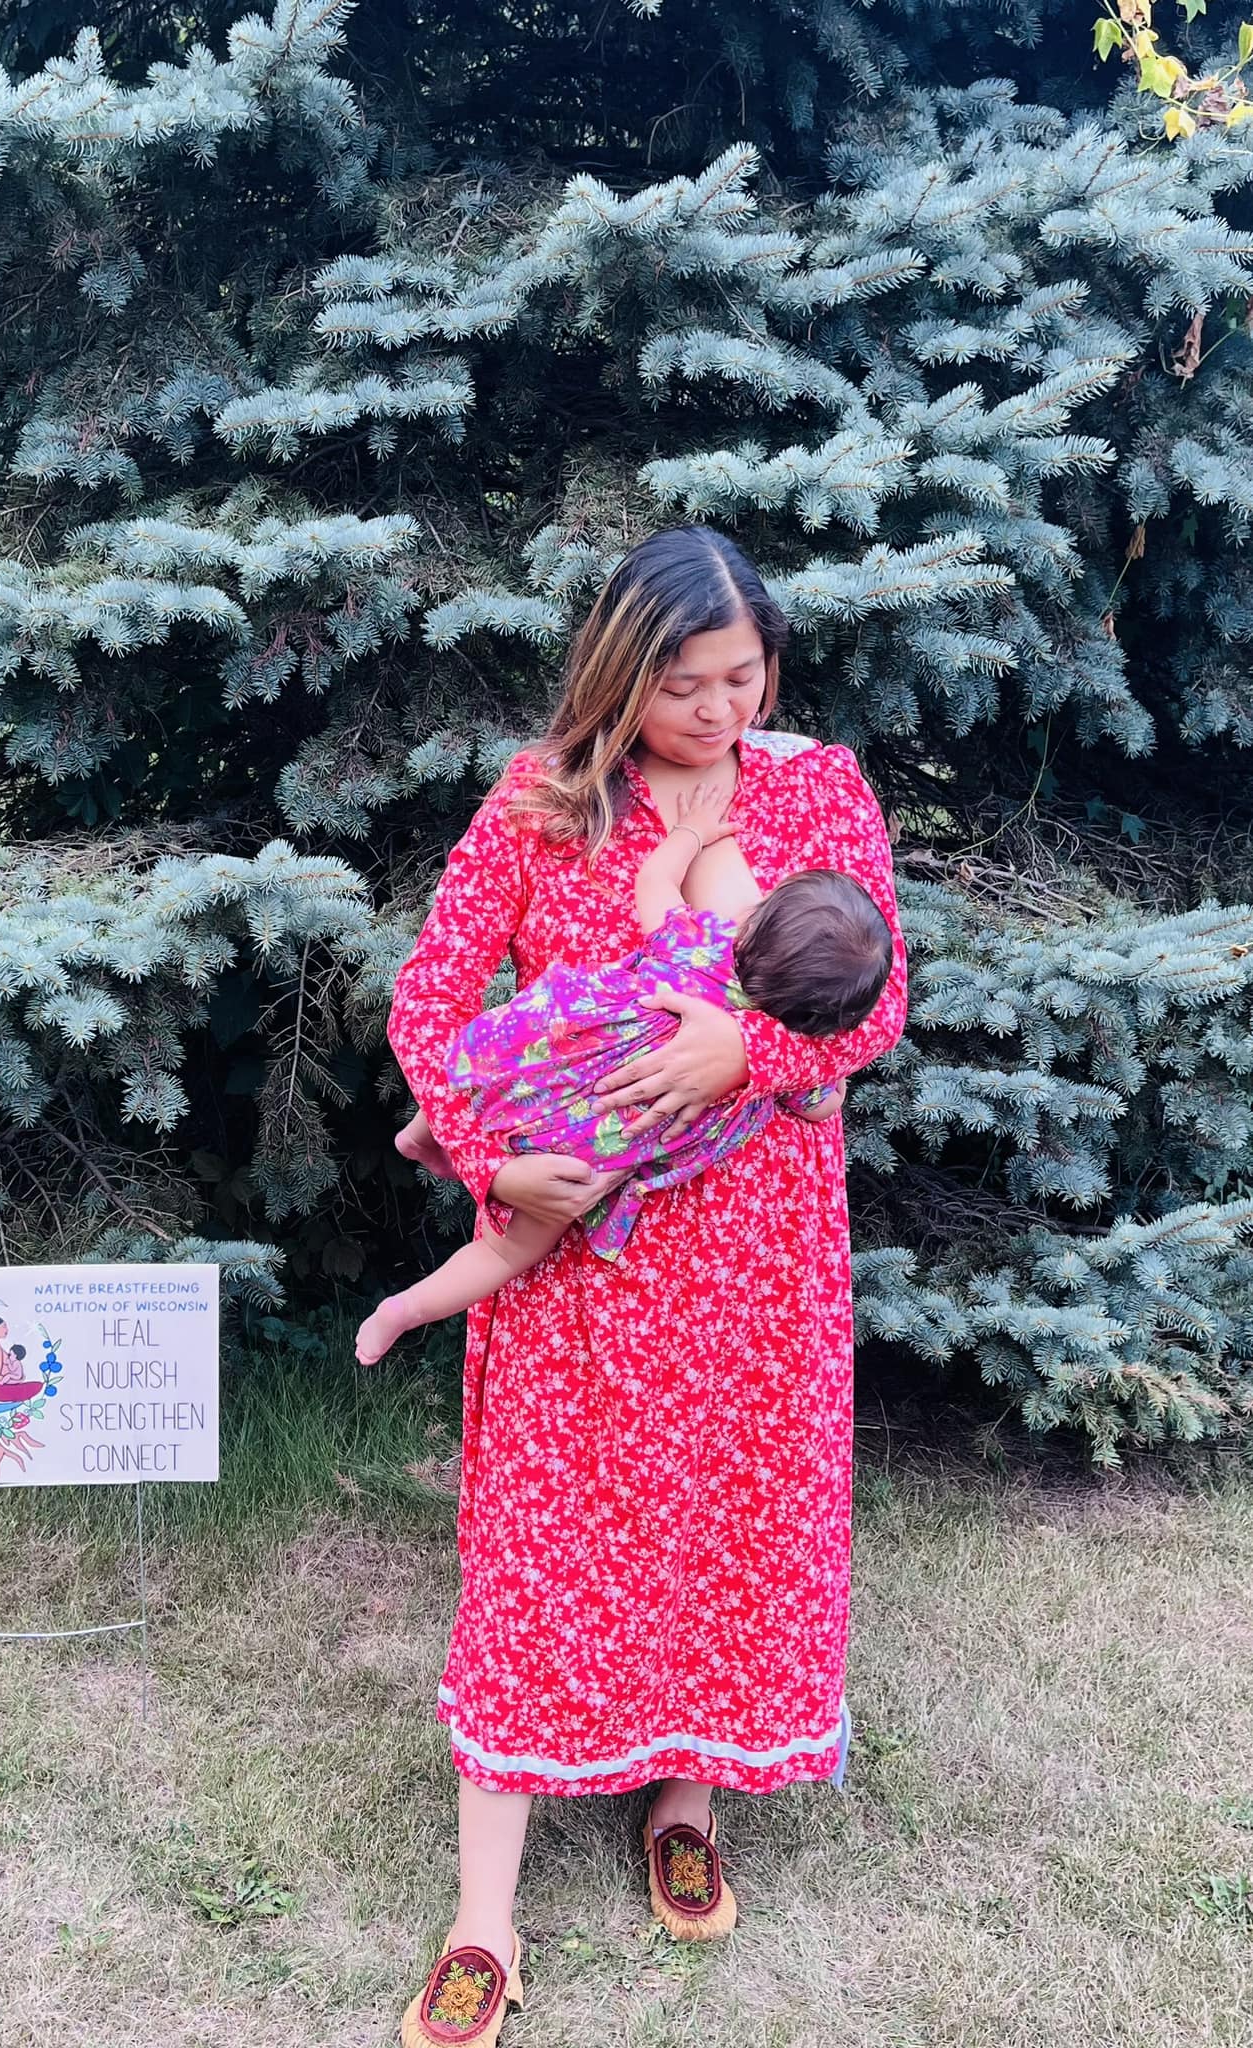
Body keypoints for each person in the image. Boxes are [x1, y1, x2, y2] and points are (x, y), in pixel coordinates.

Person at [385, 526, 908, 2048]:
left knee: (729, 1522)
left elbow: (871, 1000)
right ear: (623, 676)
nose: (721, 712)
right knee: (543, 1542)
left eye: (743, 677)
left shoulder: (818, 788)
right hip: (580, 1252)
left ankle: (685, 1799)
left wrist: (755, 1049)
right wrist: (495, 1172)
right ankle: (484, 1914)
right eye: (685, 687)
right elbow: (432, 997)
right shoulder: (544, 798)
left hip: (756, 1250)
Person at [355, 770, 890, 1366]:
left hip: (539, 1071)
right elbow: (815, 1099)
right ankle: (404, 1310)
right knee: (509, 1253)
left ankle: (423, 1130)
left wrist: (690, 832)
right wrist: (821, 1088)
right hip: (590, 1154)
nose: (714, 708)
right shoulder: (784, 1041)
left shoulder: (696, 947)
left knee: (481, 1062)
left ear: (755, 921)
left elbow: (655, 879)